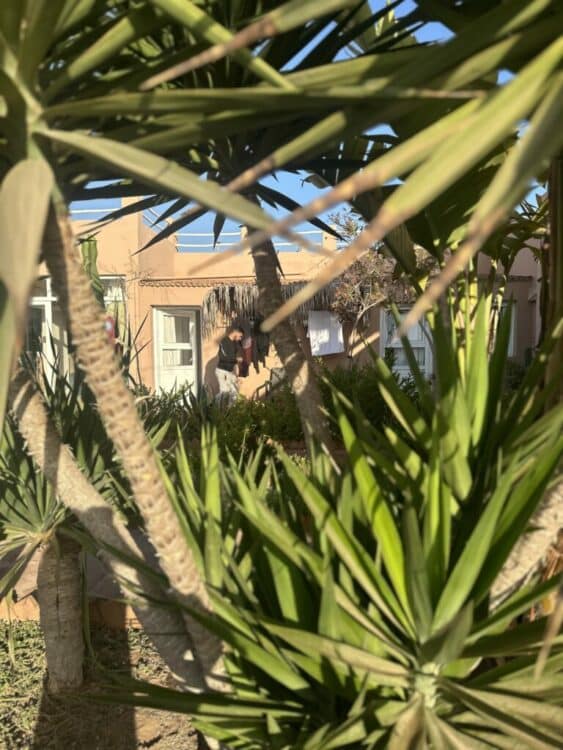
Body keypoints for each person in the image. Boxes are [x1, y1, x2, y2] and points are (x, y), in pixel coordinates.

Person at [215, 325, 244, 405]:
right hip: (222, 371)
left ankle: (231, 412)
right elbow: (223, 357)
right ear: (235, 332)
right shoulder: (224, 341)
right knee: (224, 393)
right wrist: (236, 359)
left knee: (235, 392)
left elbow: (234, 360)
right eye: (240, 336)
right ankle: (216, 409)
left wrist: (237, 374)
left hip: (230, 372)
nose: (240, 338)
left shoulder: (235, 344)